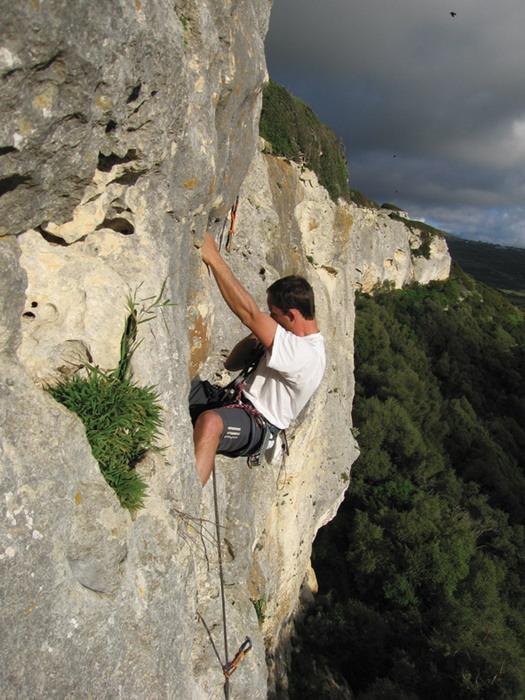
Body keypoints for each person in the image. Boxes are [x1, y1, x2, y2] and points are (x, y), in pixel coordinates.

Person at [190, 231, 326, 486]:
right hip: (233, 400)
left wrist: (213, 257)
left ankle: (184, 507)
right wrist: (258, 338)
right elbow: (232, 364)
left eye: (274, 314)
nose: (270, 319)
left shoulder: (306, 354)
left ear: (292, 315)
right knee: (182, 384)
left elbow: (249, 313)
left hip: (258, 423)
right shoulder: (286, 342)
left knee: (210, 423)